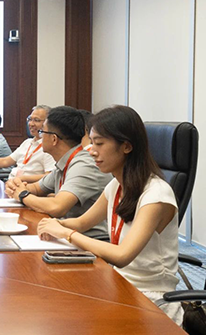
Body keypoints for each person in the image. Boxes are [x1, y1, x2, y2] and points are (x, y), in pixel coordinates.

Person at [37, 105, 183, 325]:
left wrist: (67, 234)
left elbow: (123, 255)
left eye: (99, 143)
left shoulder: (156, 194)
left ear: (126, 146)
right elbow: (82, 222)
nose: (91, 150)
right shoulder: (116, 185)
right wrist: (53, 224)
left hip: (152, 302)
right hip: (118, 284)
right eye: (91, 142)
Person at [5, 106, 110, 236]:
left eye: (42, 132)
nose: (40, 137)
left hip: (89, 241)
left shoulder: (84, 165)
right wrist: (16, 187)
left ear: (54, 139)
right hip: (65, 234)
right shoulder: (65, 162)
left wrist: (22, 195)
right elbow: (37, 188)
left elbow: (57, 207)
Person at [0, 105, 55, 182]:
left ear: (47, 123)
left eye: (36, 120)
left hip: (27, 187)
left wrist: (22, 179)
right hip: (11, 184)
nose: (31, 124)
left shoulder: (49, 147)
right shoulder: (27, 143)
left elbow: (49, 176)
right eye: (30, 119)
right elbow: (5, 161)